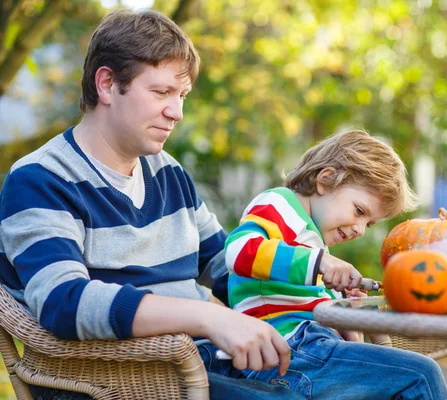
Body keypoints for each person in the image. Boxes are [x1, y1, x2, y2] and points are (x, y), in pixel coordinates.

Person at [0, 9, 305, 400]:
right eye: (161, 93)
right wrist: (208, 316)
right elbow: (64, 302)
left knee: (397, 377)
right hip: (111, 384)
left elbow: (228, 267)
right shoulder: (39, 180)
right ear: (108, 85)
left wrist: (314, 297)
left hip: (201, 365)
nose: (176, 112)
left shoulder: (167, 172)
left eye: (182, 97)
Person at [224, 129, 447, 399]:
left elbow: (333, 328)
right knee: (422, 374)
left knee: (403, 376)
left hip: (310, 352)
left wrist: (345, 310)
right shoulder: (279, 204)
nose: (360, 229)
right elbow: (238, 251)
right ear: (326, 180)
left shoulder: (314, 241)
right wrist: (320, 262)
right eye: (359, 211)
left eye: (369, 223)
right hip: (284, 353)